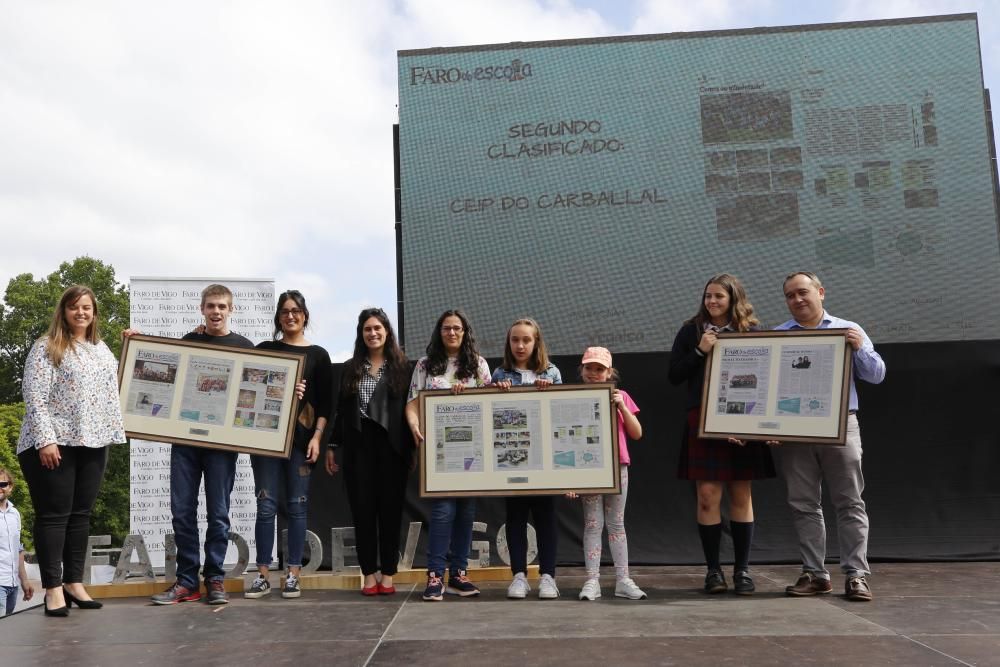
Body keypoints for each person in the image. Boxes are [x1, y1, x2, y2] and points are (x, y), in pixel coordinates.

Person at [774, 271, 885, 602]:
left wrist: (859, 347)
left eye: (803, 292)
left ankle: (856, 575)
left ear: (821, 292)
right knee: (803, 504)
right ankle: (815, 574)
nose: (797, 300)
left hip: (841, 426)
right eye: (791, 295)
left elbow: (877, 375)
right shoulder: (777, 336)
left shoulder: (848, 330)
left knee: (850, 501)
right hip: (795, 431)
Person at [17, 285, 126, 616]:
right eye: (75, 307)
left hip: (93, 442)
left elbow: (117, 385)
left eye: (87, 308)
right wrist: (46, 439)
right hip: (54, 442)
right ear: (63, 311)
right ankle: (52, 588)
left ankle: (74, 582)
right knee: (54, 516)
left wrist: (130, 346)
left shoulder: (101, 349)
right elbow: (34, 395)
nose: (82, 312)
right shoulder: (47, 347)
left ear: (94, 313)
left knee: (80, 515)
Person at [668, 274, 775, 595]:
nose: (712, 301)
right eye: (707, 296)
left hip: (743, 421)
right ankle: (713, 571)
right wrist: (700, 351)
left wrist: (752, 425)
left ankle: (742, 570)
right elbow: (674, 375)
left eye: (719, 296)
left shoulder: (751, 332)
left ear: (733, 299)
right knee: (707, 496)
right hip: (703, 420)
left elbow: (766, 380)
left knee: (741, 495)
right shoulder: (691, 331)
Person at [151, 284, 254, 606]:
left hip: (222, 445)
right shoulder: (189, 342)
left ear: (231, 309)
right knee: (182, 512)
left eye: (222, 306)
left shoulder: (244, 346)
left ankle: (215, 580)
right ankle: (186, 582)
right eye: (211, 306)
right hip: (185, 440)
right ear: (202, 309)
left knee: (219, 514)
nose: (216, 311)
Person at [244, 291, 333, 600]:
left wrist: (318, 438)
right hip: (266, 440)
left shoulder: (319, 355)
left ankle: (294, 573)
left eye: (295, 310)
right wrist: (280, 388)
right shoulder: (265, 349)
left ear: (304, 315)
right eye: (284, 311)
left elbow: (325, 405)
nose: (290, 315)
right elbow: (250, 387)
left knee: (297, 506)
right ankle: (263, 574)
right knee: (266, 506)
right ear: (278, 316)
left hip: (301, 441)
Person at [405, 309, 491, 602]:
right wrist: (415, 426)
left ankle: (458, 574)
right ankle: (434, 576)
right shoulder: (426, 365)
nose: (451, 333)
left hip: (472, 453)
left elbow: (490, 405)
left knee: (466, 513)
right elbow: (412, 404)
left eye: (457, 328)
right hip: (439, 452)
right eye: (446, 328)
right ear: (438, 332)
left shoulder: (478, 365)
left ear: (465, 332)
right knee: (442, 513)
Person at [326, 308, 412, 596]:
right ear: (361, 334)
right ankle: (369, 573)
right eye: (367, 329)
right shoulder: (351, 367)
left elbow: (411, 411)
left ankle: (388, 573)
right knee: (363, 512)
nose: (373, 333)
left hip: (392, 448)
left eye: (377, 328)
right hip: (358, 447)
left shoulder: (402, 368)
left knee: (390, 512)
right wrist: (332, 446)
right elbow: (341, 411)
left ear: (387, 331)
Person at [491, 318, 563, 600]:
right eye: (515, 340)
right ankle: (519, 576)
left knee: (546, 518)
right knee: (515, 518)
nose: (520, 345)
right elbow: (491, 417)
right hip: (512, 459)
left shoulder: (552, 372)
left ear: (536, 342)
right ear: (509, 343)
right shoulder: (500, 374)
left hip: (544, 460)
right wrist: (495, 394)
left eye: (526, 340)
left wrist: (551, 392)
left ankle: (548, 577)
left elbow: (562, 416)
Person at [568, 347, 646, 601]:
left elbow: (637, 433)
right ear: (582, 370)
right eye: (589, 368)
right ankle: (592, 581)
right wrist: (568, 479)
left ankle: (623, 579)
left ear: (609, 372)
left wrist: (621, 406)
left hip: (616, 468)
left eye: (599, 369)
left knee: (616, 524)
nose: (593, 373)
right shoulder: (573, 397)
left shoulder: (620, 395)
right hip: (587, 471)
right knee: (592, 524)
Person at [0, 467, 35, 616]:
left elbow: (18, 549)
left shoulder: (15, 513)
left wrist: (24, 580)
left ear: (10, 486)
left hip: (12, 584)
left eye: (2, 484)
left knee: (7, 628)